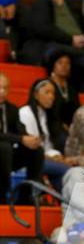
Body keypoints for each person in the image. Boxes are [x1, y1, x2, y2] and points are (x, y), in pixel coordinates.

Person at [21, 0, 84, 92]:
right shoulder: (42, 3)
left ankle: (83, 96)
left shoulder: (70, 4)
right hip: (55, 45)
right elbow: (43, 28)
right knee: (63, 58)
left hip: (78, 46)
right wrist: (70, 39)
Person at [19, 78, 77, 189]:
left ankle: (65, 202)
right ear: (36, 95)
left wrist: (56, 156)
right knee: (67, 169)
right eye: (47, 92)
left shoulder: (46, 115)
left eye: (53, 93)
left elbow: (47, 145)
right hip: (30, 159)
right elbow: (31, 148)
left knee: (73, 170)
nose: (51, 97)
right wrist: (55, 159)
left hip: (45, 157)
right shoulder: (25, 112)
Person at [0, 72, 44, 204]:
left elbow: (20, 130)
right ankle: (2, 195)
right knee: (4, 146)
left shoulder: (12, 109)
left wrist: (30, 139)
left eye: (5, 88)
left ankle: (27, 195)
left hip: (7, 157)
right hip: (3, 152)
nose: (2, 91)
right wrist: (21, 139)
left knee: (36, 151)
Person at [47, 50, 80, 133]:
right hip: (52, 128)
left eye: (67, 63)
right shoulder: (46, 85)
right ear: (53, 66)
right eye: (60, 63)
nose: (64, 66)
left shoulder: (72, 89)